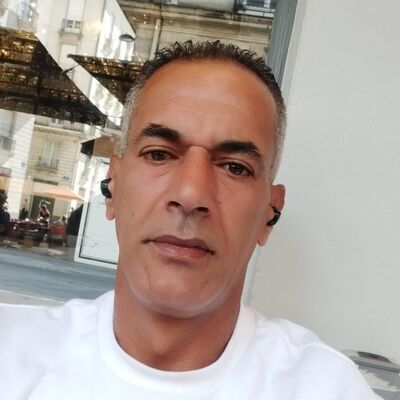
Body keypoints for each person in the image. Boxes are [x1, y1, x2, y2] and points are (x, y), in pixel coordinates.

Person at [0, 41, 379, 399]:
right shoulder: (12, 352)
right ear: (112, 186)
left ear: (270, 212)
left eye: (235, 167)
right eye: (159, 154)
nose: (191, 194)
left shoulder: (327, 389)